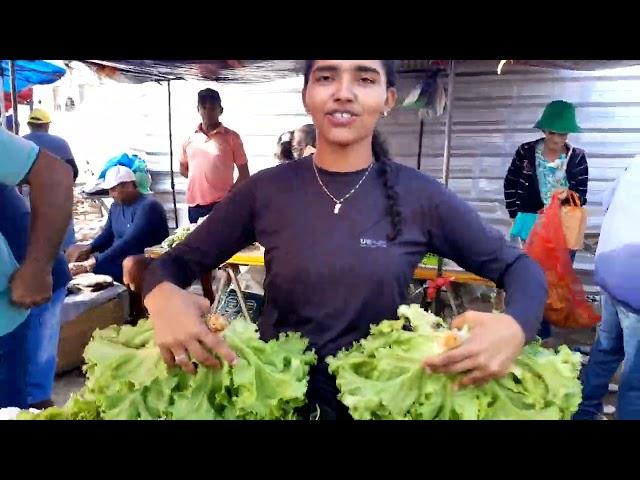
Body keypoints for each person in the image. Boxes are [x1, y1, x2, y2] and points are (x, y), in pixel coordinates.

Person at [142, 60, 547, 420]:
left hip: (379, 396)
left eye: (365, 77)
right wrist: (161, 297)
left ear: (388, 98)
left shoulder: (420, 197)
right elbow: (173, 263)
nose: (343, 91)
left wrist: (516, 325)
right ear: (307, 95)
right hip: (281, 397)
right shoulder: (266, 191)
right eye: (326, 76)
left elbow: (518, 267)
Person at [0, 128, 73, 408]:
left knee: (33, 387)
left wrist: (38, 267)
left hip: (20, 290)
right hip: (27, 279)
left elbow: (58, 175)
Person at [503, 100, 588, 339]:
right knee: (530, 278)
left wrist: (563, 199)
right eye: (552, 132)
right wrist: (514, 213)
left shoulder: (577, 157)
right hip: (529, 223)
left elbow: (582, 194)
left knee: (556, 283)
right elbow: (510, 183)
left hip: (563, 228)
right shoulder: (525, 152)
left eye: (562, 133)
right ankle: (530, 330)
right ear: (543, 130)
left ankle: (546, 333)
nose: (557, 139)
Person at [573, 160, 640, 420]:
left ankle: (583, 411)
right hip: (635, 284)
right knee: (636, 379)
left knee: (606, 349)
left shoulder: (634, 163)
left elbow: (607, 201)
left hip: (610, 268)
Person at [66, 166, 169, 284]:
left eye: (114, 189)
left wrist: (93, 261)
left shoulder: (149, 206)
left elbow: (130, 242)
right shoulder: (116, 206)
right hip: (118, 257)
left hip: (140, 259)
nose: (111, 194)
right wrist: (89, 248)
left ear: (129, 185)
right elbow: (107, 235)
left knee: (121, 265)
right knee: (73, 251)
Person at [180, 88, 250, 224]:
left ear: (220, 110)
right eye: (204, 108)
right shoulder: (189, 139)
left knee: (222, 244)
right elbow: (183, 169)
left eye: (212, 108)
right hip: (195, 206)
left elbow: (244, 174)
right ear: (198, 109)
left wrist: (229, 197)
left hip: (221, 204)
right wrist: (203, 181)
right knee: (197, 244)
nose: (207, 112)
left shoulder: (232, 138)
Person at [23, 108, 79, 250]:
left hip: (28, 195)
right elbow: (73, 170)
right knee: (63, 237)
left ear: (29, 125)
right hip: (57, 194)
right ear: (46, 125)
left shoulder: (21, 142)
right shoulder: (60, 143)